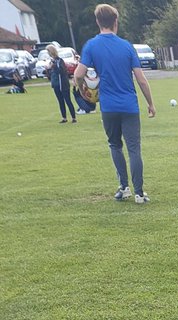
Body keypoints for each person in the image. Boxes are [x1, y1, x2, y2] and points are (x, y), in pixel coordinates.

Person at [74, 4, 155, 203]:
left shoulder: (91, 46)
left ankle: (124, 187)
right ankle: (139, 193)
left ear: (97, 22)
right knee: (134, 149)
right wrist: (150, 104)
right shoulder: (127, 46)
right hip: (129, 106)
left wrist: (83, 90)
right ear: (116, 21)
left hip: (108, 107)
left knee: (114, 145)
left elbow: (78, 74)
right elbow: (141, 79)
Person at [47, 45, 76, 123]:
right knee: (60, 101)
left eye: (48, 51)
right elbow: (51, 74)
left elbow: (62, 71)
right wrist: (48, 70)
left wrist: (54, 67)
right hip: (56, 84)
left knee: (68, 100)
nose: (48, 53)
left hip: (63, 84)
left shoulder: (60, 61)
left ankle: (73, 118)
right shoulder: (52, 61)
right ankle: (64, 118)